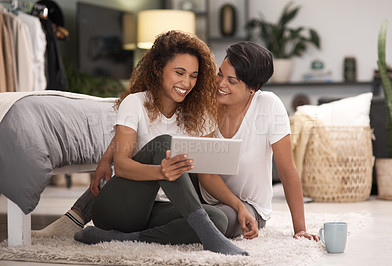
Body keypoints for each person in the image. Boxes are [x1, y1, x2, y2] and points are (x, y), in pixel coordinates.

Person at [33, 30, 248, 256]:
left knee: (218, 218)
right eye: (179, 72)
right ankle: (210, 238)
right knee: (164, 145)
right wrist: (161, 171)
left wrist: (239, 206)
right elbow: (123, 165)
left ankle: (123, 238)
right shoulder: (135, 103)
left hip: (157, 209)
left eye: (194, 75)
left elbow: (207, 172)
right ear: (157, 69)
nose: (187, 82)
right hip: (120, 207)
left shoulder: (199, 115)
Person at [197, 41, 319, 241]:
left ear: (253, 88)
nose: (221, 84)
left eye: (232, 81)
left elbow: (287, 170)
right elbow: (205, 174)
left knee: (215, 221)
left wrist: (300, 229)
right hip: (207, 196)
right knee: (193, 211)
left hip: (249, 206)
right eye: (220, 74)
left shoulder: (269, 107)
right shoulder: (208, 105)